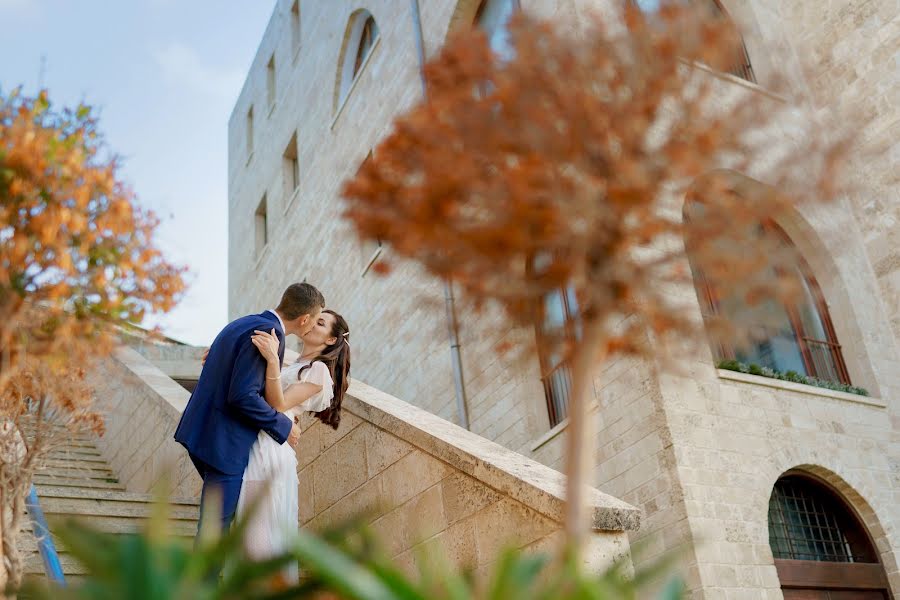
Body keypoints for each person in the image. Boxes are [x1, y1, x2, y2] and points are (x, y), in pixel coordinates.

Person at [173, 283, 325, 538]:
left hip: (205, 433)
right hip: (225, 444)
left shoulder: (243, 323)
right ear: (305, 319)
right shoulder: (270, 333)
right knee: (214, 533)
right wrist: (284, 426)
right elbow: (243, 396)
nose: (313, 326)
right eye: (316, 320)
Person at [236, 309, 350, 582]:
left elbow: (279, 405)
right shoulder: (290, 362)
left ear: (331, 340)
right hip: (257, 439)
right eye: (315, 318)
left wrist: (272, 360)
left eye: (321, 323)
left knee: (259, 533)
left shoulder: (319, 371)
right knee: (247, 529)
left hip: (271, 449)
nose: (313, 324)